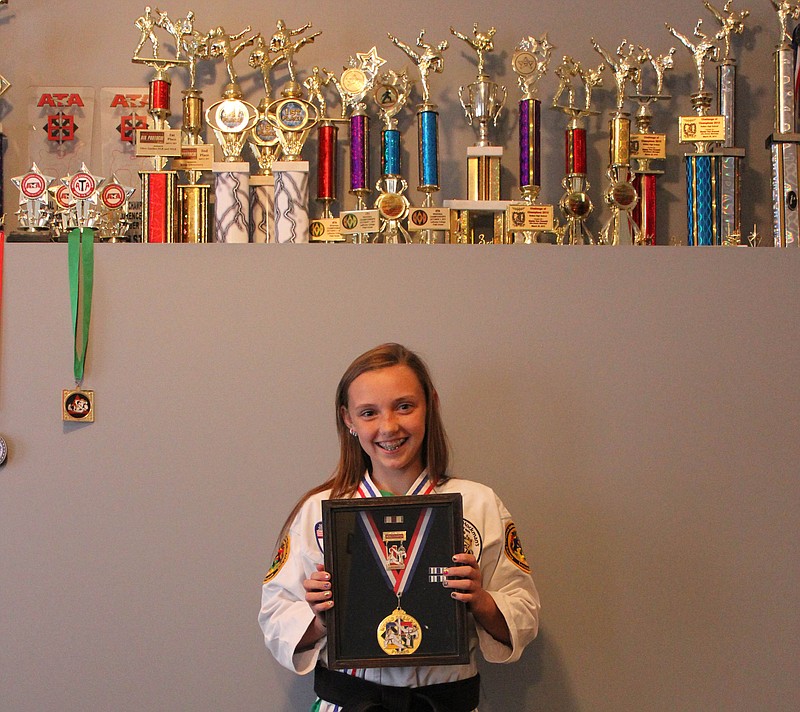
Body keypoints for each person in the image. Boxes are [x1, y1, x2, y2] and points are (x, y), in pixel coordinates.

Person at [259, 343, 540, 711]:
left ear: (431, 405)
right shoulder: (320, 512)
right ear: (348, 419)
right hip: (352, 702)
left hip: (444, 702)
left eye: (404, 406)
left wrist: (481, 602)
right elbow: (275, 617)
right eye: (369, 412)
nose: (388, 426)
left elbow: (525, 615)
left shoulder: (478, 503)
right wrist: (320, 621)